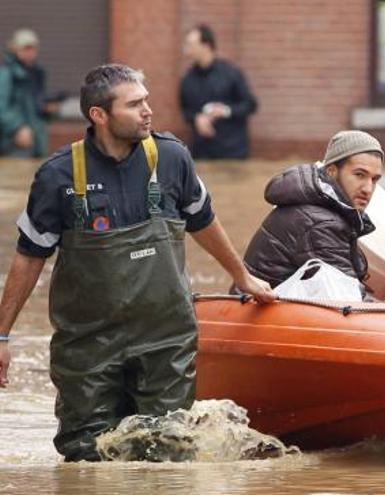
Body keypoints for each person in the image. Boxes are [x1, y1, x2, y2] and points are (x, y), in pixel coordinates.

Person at [0, 64, 275, 462]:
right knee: (87, 459)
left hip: (165, 340)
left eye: (146, 100)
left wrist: (242, 275)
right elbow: (29, 259)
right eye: (135, 104)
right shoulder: (57, 176)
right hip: (88, 347)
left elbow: (204, 222)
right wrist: (3, 335)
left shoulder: (172, 157)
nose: (149, 110)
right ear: (100, 115)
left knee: (169, 453)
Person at [242, 130, 383, 288]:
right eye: (359, 175)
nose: (368, 189)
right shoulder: (320, 223)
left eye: (375, 179)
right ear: (331, 171)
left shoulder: (320, 207)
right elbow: (348, 300)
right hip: (259, 310)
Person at [179, 24, 257, 159]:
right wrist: (196, 118)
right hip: (202, 152)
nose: (187, 50)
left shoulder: (231, 73)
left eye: (191, 44)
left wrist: (226, 110)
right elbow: (186, 111)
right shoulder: (187, 78)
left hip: (233, 152)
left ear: (206, 45)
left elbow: (251, 104)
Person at [0, 28, 57, 157]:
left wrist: (48, 109)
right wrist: (17, 127)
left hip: (37, 140)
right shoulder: (7, 74)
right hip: (13, 142)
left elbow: (36, 105)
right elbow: (2, 106)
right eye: (25, 48)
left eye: (33, 48)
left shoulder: (37, 73)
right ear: (15, 49)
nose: (30, 52)